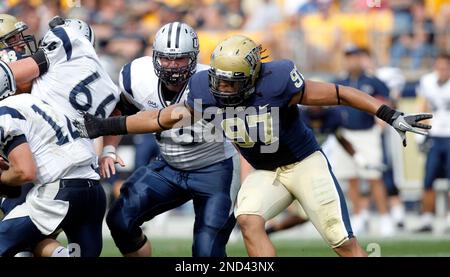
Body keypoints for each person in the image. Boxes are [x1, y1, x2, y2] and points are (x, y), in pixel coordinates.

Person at [75, 35, 432, 257]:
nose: (223, 89)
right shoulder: (203, 89)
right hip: (266, 171)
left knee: (341, 241)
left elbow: (340, 94)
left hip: (304, 163)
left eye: (233, 83)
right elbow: (161, 119)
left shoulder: (277, 82)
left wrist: (388, 113)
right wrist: (105, 126)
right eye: (219, 81)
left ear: (253, 76)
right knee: (247, 220)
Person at [100, 22, 239, 257]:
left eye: (180, 59)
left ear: (193, 58)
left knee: (207, 251)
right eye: (166, 58)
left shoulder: (212, 82)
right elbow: (119, 111)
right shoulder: (137, 76)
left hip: (216, 171)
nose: (172, 66)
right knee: (119, 219)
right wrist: (108, 149)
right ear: (155, 56)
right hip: (170, 166)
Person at [0, 15, 121, 256]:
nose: (21, 45)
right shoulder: (62, 80)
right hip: (88, 184)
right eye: (12, 40)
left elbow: (24, 170)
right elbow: (120, 109)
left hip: (53, 181)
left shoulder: (28, 91)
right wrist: (108, 149)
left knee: (18, 239)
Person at [0, 92, 105, 257]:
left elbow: (25, 172)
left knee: (9, 241)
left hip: (61, 191)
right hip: (94, 191)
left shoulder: (4, 112)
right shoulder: (36, 100)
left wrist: (2, 176)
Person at [331, 46, 394, 236]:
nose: (351, 61)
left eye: (354, 57)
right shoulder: (339, 82)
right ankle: (359, 215)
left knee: (374, 176)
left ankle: (385, 217)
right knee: (352, 177)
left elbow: (386, 103)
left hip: (367, 133)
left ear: (361, 59)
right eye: (348, 57)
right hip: (345, 135)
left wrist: (381, 124)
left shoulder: (373, 81)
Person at [415, 53, 450, 233]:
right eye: (439, 67)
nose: (441, 71)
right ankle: (427, 218)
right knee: (428, 179)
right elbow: (423, 106)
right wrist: (420, 134)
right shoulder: (428, 81)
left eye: (445, 68)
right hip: (435, 136)